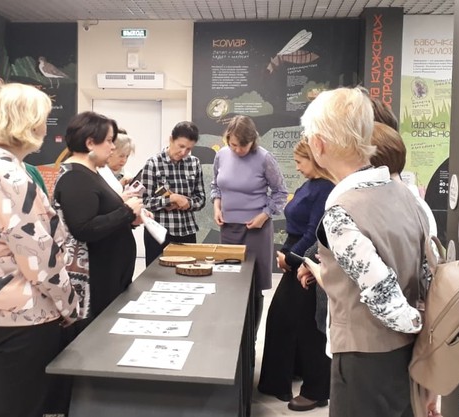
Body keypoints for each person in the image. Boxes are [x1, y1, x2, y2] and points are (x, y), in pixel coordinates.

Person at [297, 87, 429, 417]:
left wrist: (414, 322)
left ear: (319, 145)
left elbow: (383, 296)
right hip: (407, 356)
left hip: (366, 361)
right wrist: (425, 336)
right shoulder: (402, 194)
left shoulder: (342, 211)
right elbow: (428, 271)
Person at [0, 83, 80, 417]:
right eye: (42, 119)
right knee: (22, 406)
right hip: (23, 317)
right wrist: (69, 305)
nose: (45, 128)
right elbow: (39, 260)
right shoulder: (9, 175)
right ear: (25, 122)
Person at [258, 139, 333, 411]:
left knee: (308, 327)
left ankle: (316, 389)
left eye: (300, 162)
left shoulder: (325, 188)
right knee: (287, 320)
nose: (297, 167)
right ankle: (289, 376)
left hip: (305, 259)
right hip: (296, 254)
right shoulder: (310, 184)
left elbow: (314, 231)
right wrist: (287, 254)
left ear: (315, 160)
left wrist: (291, 257)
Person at [53, 111, 143, 319]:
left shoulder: (90, 173)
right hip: (95, 279)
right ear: (90, 143)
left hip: (108, 275)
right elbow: (84, 228)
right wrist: (127, 211)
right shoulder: (76, 176)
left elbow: (101, 214)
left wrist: (129, 219)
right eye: (109, 141)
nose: (113, 147)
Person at [211, 115, 288, 338]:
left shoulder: (265, 158)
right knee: (230, 282)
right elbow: (216, 186)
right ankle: (230, 334)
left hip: (256, 230)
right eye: (233, 144)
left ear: (253, 141)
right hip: (228, 229)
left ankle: (249, 340)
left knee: (253, 286)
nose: (237, 150)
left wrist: (264, 215)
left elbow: (281, 192)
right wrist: (217, 206)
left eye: (242, 146)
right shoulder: (221, 155)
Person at [141, 121, 207, 265]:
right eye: (181, 146)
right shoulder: (153, 164)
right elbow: (144, 202)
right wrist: (171, 199)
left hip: (187, 231)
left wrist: (187, 203)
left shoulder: (194, 163)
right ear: (171, 139)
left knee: (188, 272)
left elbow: (201, 199)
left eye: (188, 149)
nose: (183, 152)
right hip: (159, 234)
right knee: (157, 275)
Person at [101, 128, 136, 192]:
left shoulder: (128, 176)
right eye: (121, 156)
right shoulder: (98, 172)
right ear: (110, 151)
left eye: (127, 156)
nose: (124, 160)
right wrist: (120, 185)